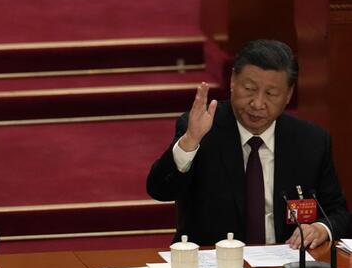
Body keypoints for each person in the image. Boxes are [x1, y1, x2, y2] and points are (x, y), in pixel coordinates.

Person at [147, 39, 350, 248]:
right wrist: (190, 141)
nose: (258, 103)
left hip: (285, 266)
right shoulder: (203, 130)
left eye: (271, 94)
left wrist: (321, 228)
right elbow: (160, 190)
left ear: (288, 94)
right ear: (233, 81)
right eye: (249, 89)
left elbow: (338, 213)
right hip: (216, 267)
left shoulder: (311, 141)